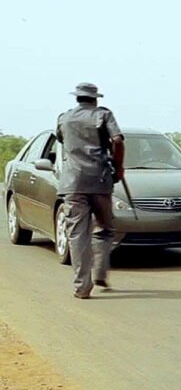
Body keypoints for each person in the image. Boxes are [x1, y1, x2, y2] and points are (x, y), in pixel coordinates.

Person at [57, 83, 124, 299]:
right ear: (95, 99)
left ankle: (82, 287)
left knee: (77, 235)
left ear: (77, 98)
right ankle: (101, 271)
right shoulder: (103, 115)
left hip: (73, 184)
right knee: (106, 227)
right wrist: (119, 166)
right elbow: (117, 140)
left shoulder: (64, 118)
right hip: (99, 179)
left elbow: (61, 139)